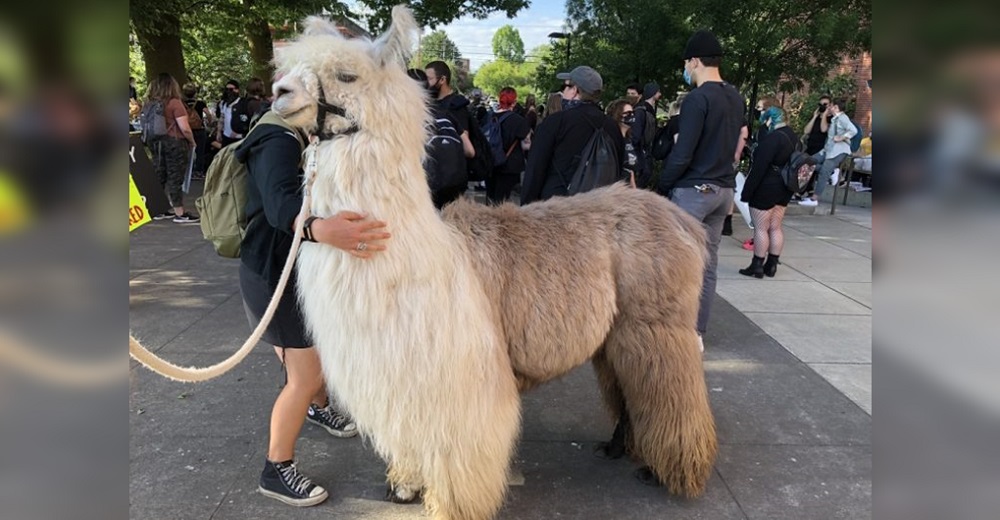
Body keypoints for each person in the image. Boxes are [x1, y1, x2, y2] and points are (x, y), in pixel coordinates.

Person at [235, 107, 391, 507]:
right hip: (274, 275)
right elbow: (278, 204)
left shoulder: (296, 134)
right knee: (303, 375)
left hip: (286, 270)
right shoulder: (278, 137)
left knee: (311, 358)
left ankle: (318, 408)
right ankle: (276, 467)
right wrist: (324, 230)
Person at [657, 30, 744, 346]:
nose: (686, 69)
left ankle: (674, 333)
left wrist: (662, 184)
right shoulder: (735, 97)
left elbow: (684, 152)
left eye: (686, 63)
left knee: (676, 266)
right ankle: (696, 333)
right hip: (723, 191)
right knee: (707, 266)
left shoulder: (697, 99)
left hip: (694, 191)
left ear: (694, 61)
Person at [521, 66, 625, 205]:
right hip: (599, 209)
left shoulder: (556, 122)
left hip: (557, 208)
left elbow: (535, 170)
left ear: (575, 90)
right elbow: (618, 168)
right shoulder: (612, 126)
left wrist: (527, 208)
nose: (563, 92)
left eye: (566, 87)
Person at [738, 97, 797, 278]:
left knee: (761, 228)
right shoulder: (793, 137)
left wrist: (747, 192)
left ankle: (757, 265)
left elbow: (758, 168)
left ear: (771, 119)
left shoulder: (773, 139)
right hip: (785, 187)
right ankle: (771, 264)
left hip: (767, 186)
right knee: (775, 227)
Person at [146, 72, 199, 223]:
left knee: (159, 175)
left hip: (155, 143)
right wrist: (192, 141)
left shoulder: (149, 103)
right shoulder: (175, 102)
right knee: (175, 177)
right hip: (174, 143)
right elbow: (185, 128)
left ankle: (157, 209)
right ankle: (179, 213)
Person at [799, 96, 856, 206]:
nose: (828, 107)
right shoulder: (835, 118)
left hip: (838, 151)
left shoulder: (843, 118)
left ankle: (814, 199)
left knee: (823, 173)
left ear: (835, 107)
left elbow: (853, 130)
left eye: (830, 106)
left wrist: (842, 137)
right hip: (827, 150)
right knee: (809, 161)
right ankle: (833, 172)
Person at [425, 62, 476, 164]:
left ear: (442, 80)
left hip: (449, 170)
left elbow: (463, 145)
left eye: (429, 79)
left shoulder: (457, 105)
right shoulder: (431, 103)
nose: (426, 83)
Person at [486, 87, 531, 204]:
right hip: (509, 165)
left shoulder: (488, 117)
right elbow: (526, 145)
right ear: (514, 102)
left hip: (490, 163)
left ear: (499, 99)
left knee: (490, 197)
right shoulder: (519, 121)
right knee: (503, 200)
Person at [630, 82, 661, 189]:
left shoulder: (644, 110)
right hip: (642, 149)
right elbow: (637, 133)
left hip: (643, 148)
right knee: (644, 175)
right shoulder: (642, 110)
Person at [606, 99, 638, 187]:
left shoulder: (629, 140)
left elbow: (631, 171)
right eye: (627, 113)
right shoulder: (611, 141)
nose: (631, 116)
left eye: (632, 113)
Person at [182, 82, 208, 177]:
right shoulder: (200, 103)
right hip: (199, 129)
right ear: (195, 92)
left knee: (187, 151)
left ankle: (188, 172)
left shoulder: (182, 103)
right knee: (200, 151)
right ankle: (199, 171)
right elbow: (208, 114)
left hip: (187, 129)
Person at [217, 79, 244, 147]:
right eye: (227, 89)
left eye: (231, 89)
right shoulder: (223, 104)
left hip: (239, 138)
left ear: (237, 90)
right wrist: (219, 132)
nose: (228, 92)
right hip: (226, 137)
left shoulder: (242, 103)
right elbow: (221, 119)